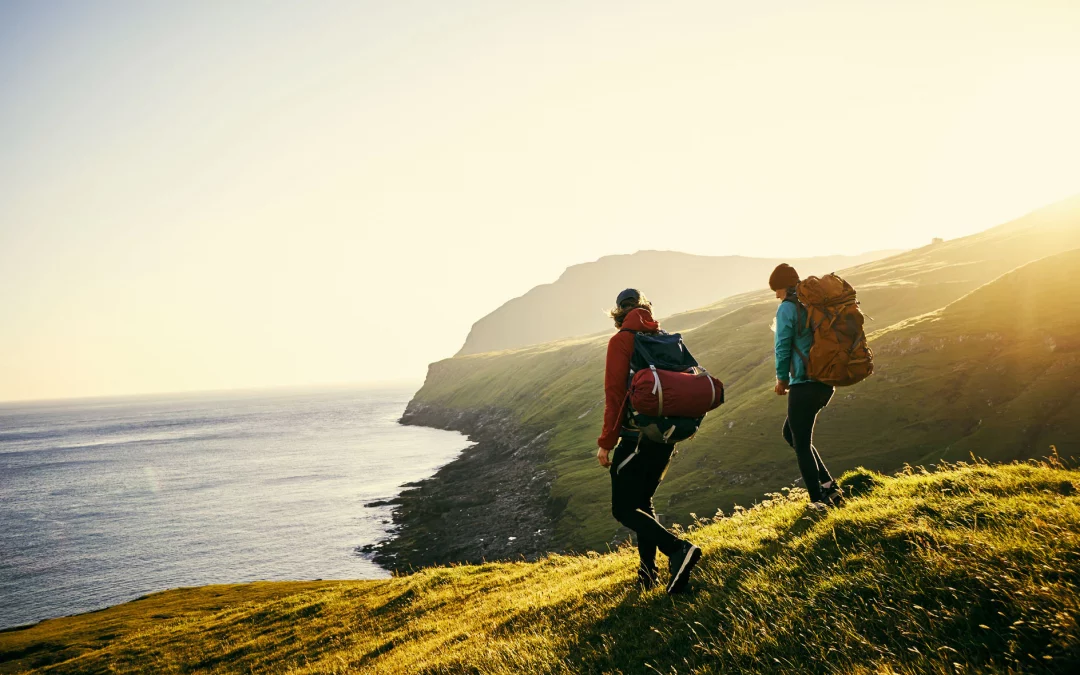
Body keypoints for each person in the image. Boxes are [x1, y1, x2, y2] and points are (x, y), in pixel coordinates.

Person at [596, 288, 701, 593]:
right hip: (666, 435)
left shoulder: (621, 341)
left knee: (623, 509)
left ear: (618, 313)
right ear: (646, 309)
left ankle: (678, 549)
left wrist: (606, 442)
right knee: (643, 502)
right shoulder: (664, 337)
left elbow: (615, 396)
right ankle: (647, 575)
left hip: (635, 438)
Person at [769, 264, 843, 509]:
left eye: (776, 290)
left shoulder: (788, 309)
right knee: (791, 434)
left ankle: (818, 501)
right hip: (825, 382)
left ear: (782, 286)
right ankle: (829, 488)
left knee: (800, 442)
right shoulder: (811, 305)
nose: (776, 295)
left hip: (805, 384)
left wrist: (782, 378)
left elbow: (782, 346)